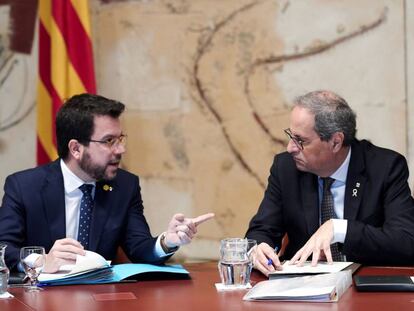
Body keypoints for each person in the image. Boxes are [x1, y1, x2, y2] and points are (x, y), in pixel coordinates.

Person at [0, 93, 214, 272]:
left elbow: (138, 247)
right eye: (109, 141)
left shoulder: (125, 186)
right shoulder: (24, 187)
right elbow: (3, 247)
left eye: (120, 139)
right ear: (75, 148)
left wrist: (168, 241)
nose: (121, 150)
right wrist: (40, 261)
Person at [246, 90, 414, 276]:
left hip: (364, 287)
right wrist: (257, 249)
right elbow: (261, 230)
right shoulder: (285, 168)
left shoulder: (384, 168)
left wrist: (340, 228)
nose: (290, 148)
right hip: (302, 287)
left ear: (335, 142)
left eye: (300, 140)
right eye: (290, 136)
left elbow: (406, 242)